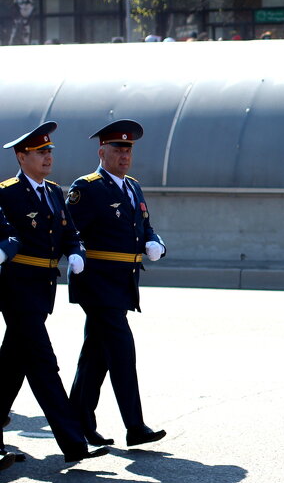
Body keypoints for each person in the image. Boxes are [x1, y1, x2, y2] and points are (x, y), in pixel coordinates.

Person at [0, 123, 108, 465]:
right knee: (44, 364)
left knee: (11, 366)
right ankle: (74, 442)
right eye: (40, 152)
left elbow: (69, 232)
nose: (48, 157)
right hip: (17, 287)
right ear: (22, 157)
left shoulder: (52, 192)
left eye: (50, 152)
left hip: (43, 288)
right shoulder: (7, 193)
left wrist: (76, 251)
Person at [66, 120, 167, 448]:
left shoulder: (133, 187)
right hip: (96, 283)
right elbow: (70, 230)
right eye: (117, 149)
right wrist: (75, 254)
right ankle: (135, 427)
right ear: (102, 152)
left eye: (128, 150)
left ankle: (77, 421)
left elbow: (145, 225)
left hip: (123, 284)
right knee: (122, 351)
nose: (124, 155)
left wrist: (156, 243)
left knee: (95, 355)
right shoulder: (89, 187)